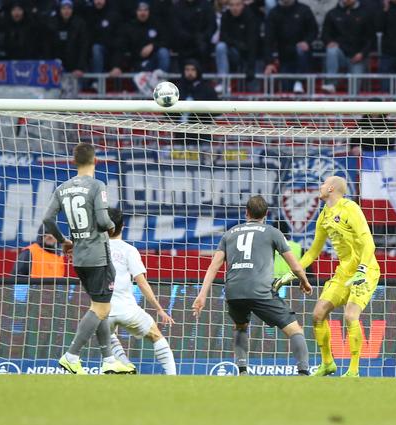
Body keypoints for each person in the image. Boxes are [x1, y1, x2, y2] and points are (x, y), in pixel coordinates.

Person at [273, 176, 381, 377]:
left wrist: (363, 269)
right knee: (318, 314)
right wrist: (292, 272)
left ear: (331, 188)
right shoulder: (324, 216)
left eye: (323, 183)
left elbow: (369, 243)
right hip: (344, 272)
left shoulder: (350, 208)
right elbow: (313, 251)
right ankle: (327, 364)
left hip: (366, 270)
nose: (320, 187)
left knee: (350, 316)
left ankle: (354, 370)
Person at [193, 196, 313, 376]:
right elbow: (295, 265)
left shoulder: (230, 233)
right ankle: (304, 372)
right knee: (295, 329)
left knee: (240, 326)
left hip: (233, 292)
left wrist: (202, 295)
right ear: (266, 214)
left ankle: (242, 371)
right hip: (260, 291)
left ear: (246, 212)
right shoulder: (273, 232)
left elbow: (214, 266)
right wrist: (304, 281)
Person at [43, 143, 132, 375]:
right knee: (101, 308)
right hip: (98, 256)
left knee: (99, 306)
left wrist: (64, 240)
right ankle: (71, 356)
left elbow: (47, 219)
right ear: (95, 161)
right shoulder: (97, 185)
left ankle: (109, 360)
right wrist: (113, 225)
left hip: (79, 257)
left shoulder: (62, 188)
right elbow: (103, 221)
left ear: (74, 162)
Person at [101, 208, 177, 375]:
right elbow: (141, 283)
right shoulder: (129, 250)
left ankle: (126, 365)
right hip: (128, 310)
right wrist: (159, 309)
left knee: (108, 336)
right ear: (124, 226)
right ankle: (173, 377)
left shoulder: (95, 250)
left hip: (104, 311)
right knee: (156, 335)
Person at [320, 0, 375, 94]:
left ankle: (352, 104)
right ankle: (331, 83)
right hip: (340, 53)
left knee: (354, 90)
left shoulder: (366, 13)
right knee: (331, 50)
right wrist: (330, 42)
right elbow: (325, 34)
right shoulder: (332, 13)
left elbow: (371, 38)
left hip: (358, 56)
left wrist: (362, 54)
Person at [264, 0, 317, 94]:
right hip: (284, 57)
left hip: (303, 56)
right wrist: (269, 62)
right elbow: (268, 39)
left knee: (301, 50)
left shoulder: (304, 10)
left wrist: (307, 42)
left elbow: (313, 30)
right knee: (286, 90)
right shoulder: (274, 13)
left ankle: (299, 81)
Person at [117, 2, 170, 74]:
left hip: (153, 61)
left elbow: (166, 41)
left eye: (145, 10)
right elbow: (122, 46)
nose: (143, 13)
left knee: (163, 52)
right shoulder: (129, 27)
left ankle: (162, 82)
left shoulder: (156, 24)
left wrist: (153, 46)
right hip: (136, 62)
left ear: (149, 12)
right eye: (140, 10)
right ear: (136, 12)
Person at [215, 0, 261, 83]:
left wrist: (251, 67)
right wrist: (236, 43)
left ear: (243, 5)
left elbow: (253, 44)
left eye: (237, 5)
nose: (234, 8)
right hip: (233, 51)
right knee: (220, 47)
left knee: (253, 86)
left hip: (251, 53)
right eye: (231, 5)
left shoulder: (250, 17)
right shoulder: (225, 16)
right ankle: (223, 82)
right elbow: (223, 37)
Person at [170, 0, 216, 67]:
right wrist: (189, 38)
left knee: (203, 48)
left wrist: (203, 37)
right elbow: (176, 27)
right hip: (184, 43)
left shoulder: (206, 5)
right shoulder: (177, 7)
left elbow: (212, 26)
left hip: (202, 42)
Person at [49, 0, 88, 78]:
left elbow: (83, 47)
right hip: (56, 67)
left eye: (69, 8)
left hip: (75, 67)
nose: (66, 11)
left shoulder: (80, 24)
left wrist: (80, 68)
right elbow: (49, 47)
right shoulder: (52, 24)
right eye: (63, 8)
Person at [85, 0, 121, 76]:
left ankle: (97, 80)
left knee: (96, 48)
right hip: (89, 51)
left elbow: (118, 40)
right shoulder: (88, 15)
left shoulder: (113, 15)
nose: (98, 1)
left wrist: (116, 65)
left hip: (110, 50)